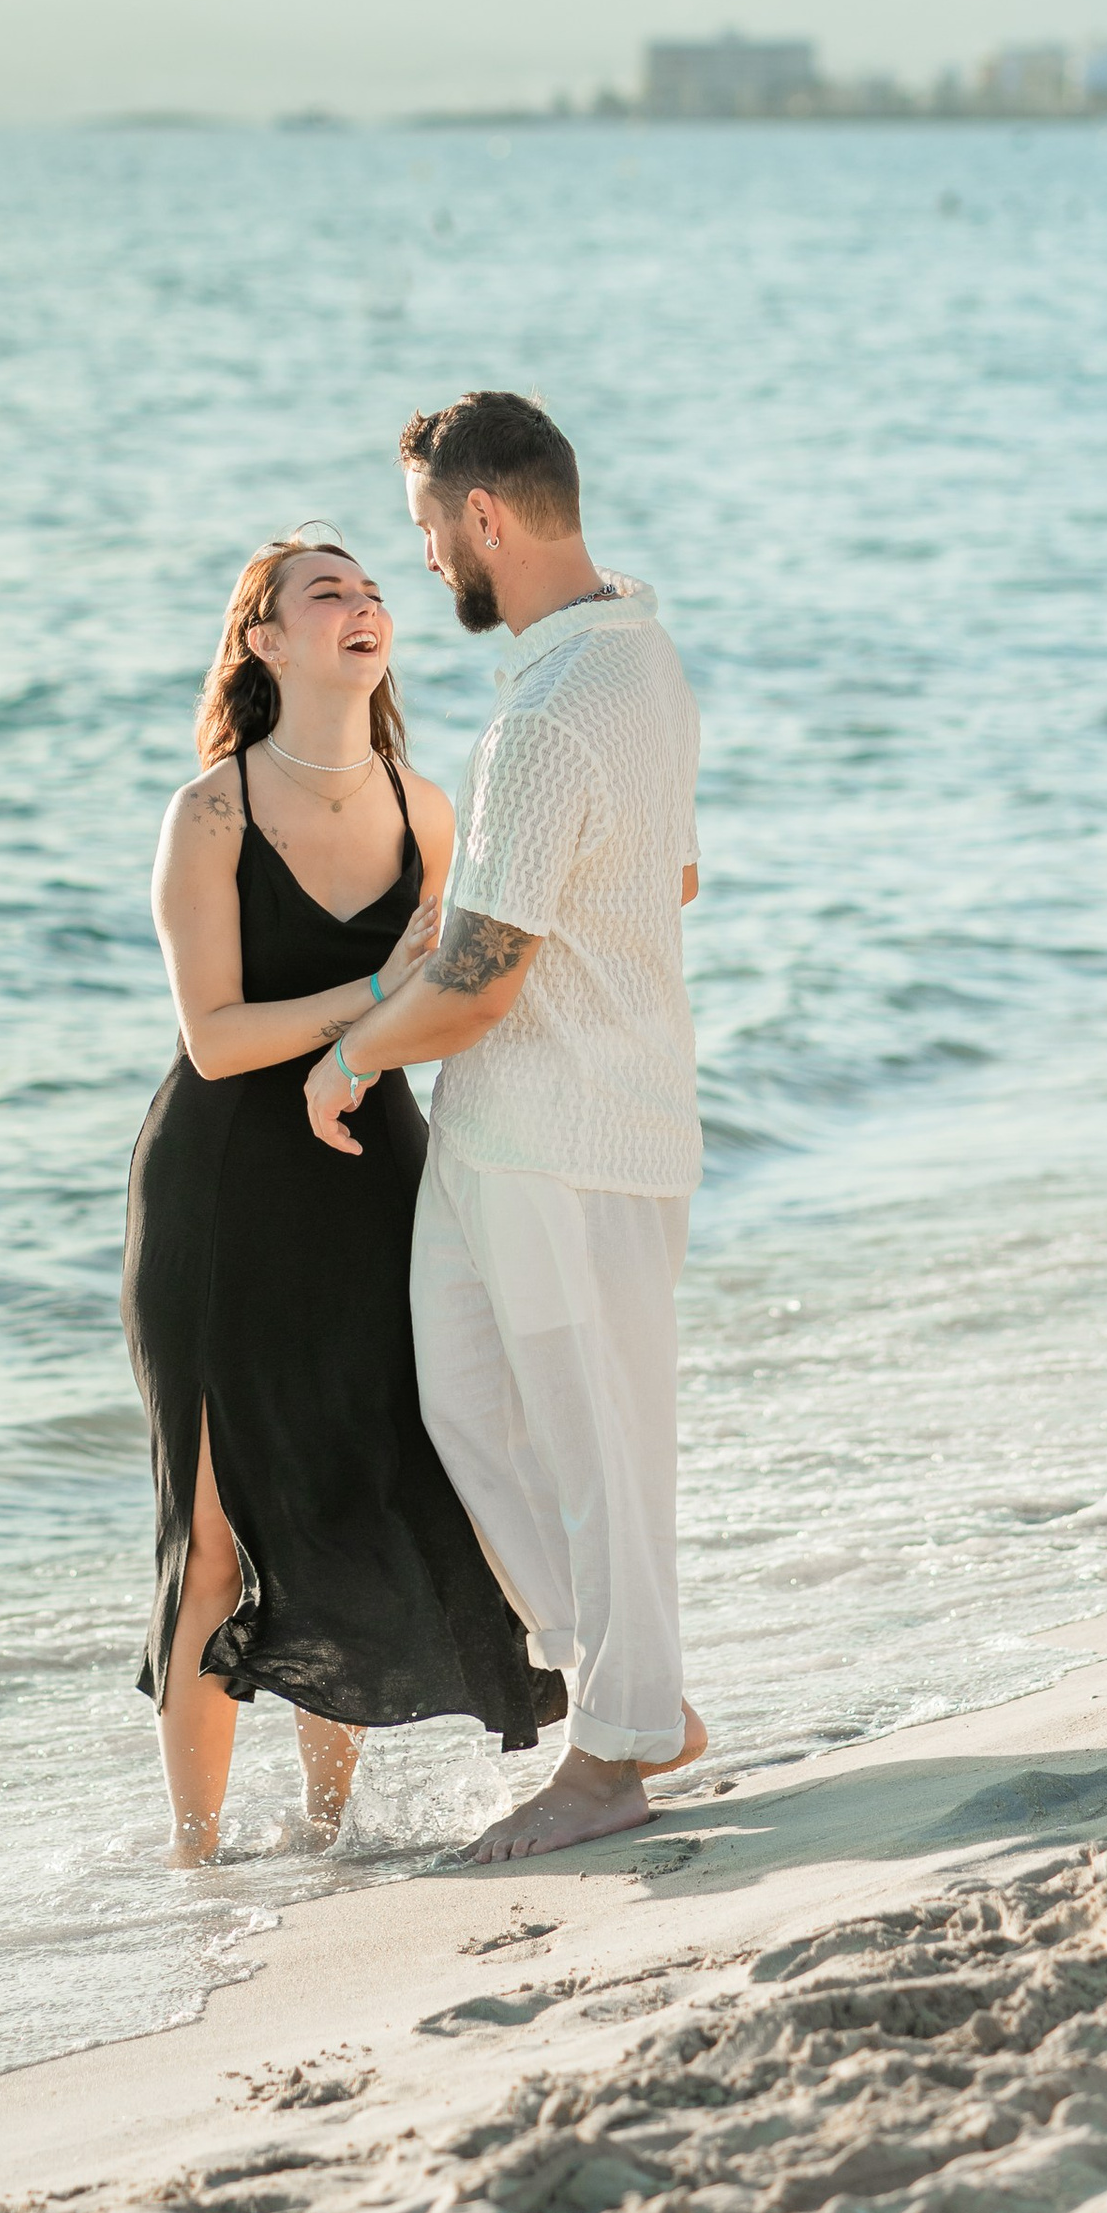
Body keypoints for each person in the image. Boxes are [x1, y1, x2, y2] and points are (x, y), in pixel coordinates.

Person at [303, 396, 705, 1864]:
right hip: (520, 1134)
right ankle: (638, 1698)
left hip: (569, 1135)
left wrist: (347, 1055)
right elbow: (664, 885)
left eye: (422, 531)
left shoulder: (551, 712)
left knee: (595, 1451)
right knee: (472, 1407)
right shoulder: (632, 658)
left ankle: (612, 1753)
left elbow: (482, 989)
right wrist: (460, 918)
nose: (420, 565)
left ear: (483, 517)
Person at [126, 531, 566, 1865]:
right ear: (263, 642)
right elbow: (216, 1039)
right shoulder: (210, 814)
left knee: (352, 1492)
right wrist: (376, 993)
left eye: (373, 591)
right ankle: (195, 1860)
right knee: (213, 1529)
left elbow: (462, 997)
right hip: (221, 1196)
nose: (363, 606)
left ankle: (328, 1832)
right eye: (328, 594)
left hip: (376, 1176)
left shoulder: (428, 807)